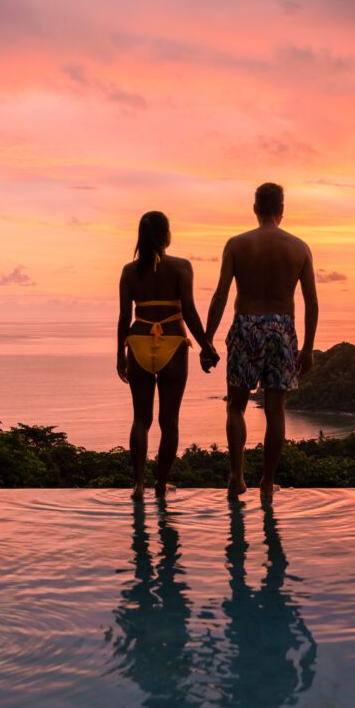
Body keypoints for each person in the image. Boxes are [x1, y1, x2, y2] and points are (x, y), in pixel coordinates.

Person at [205, 182, 318, 500]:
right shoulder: (299, 248)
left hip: (245, 327)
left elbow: (220, 295)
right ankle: (267, 484)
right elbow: (311, 303)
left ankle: (236, 477)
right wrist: (307, 347)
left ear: (255, 208)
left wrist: (207, 340)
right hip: (281, 330)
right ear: (282, 210)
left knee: (236, 407)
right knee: (276, 411)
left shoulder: (237, 244)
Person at [117, 211, 218, 499]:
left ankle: (138, 484)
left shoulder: (129, 271)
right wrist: (207, 346)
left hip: (137, 341)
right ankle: (160, 485)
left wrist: (119, 355)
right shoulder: (182, 267)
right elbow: (189, 310)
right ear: (166, 235)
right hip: (172, 342)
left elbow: (125, 316)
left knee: (141, 419)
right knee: (169, 420)